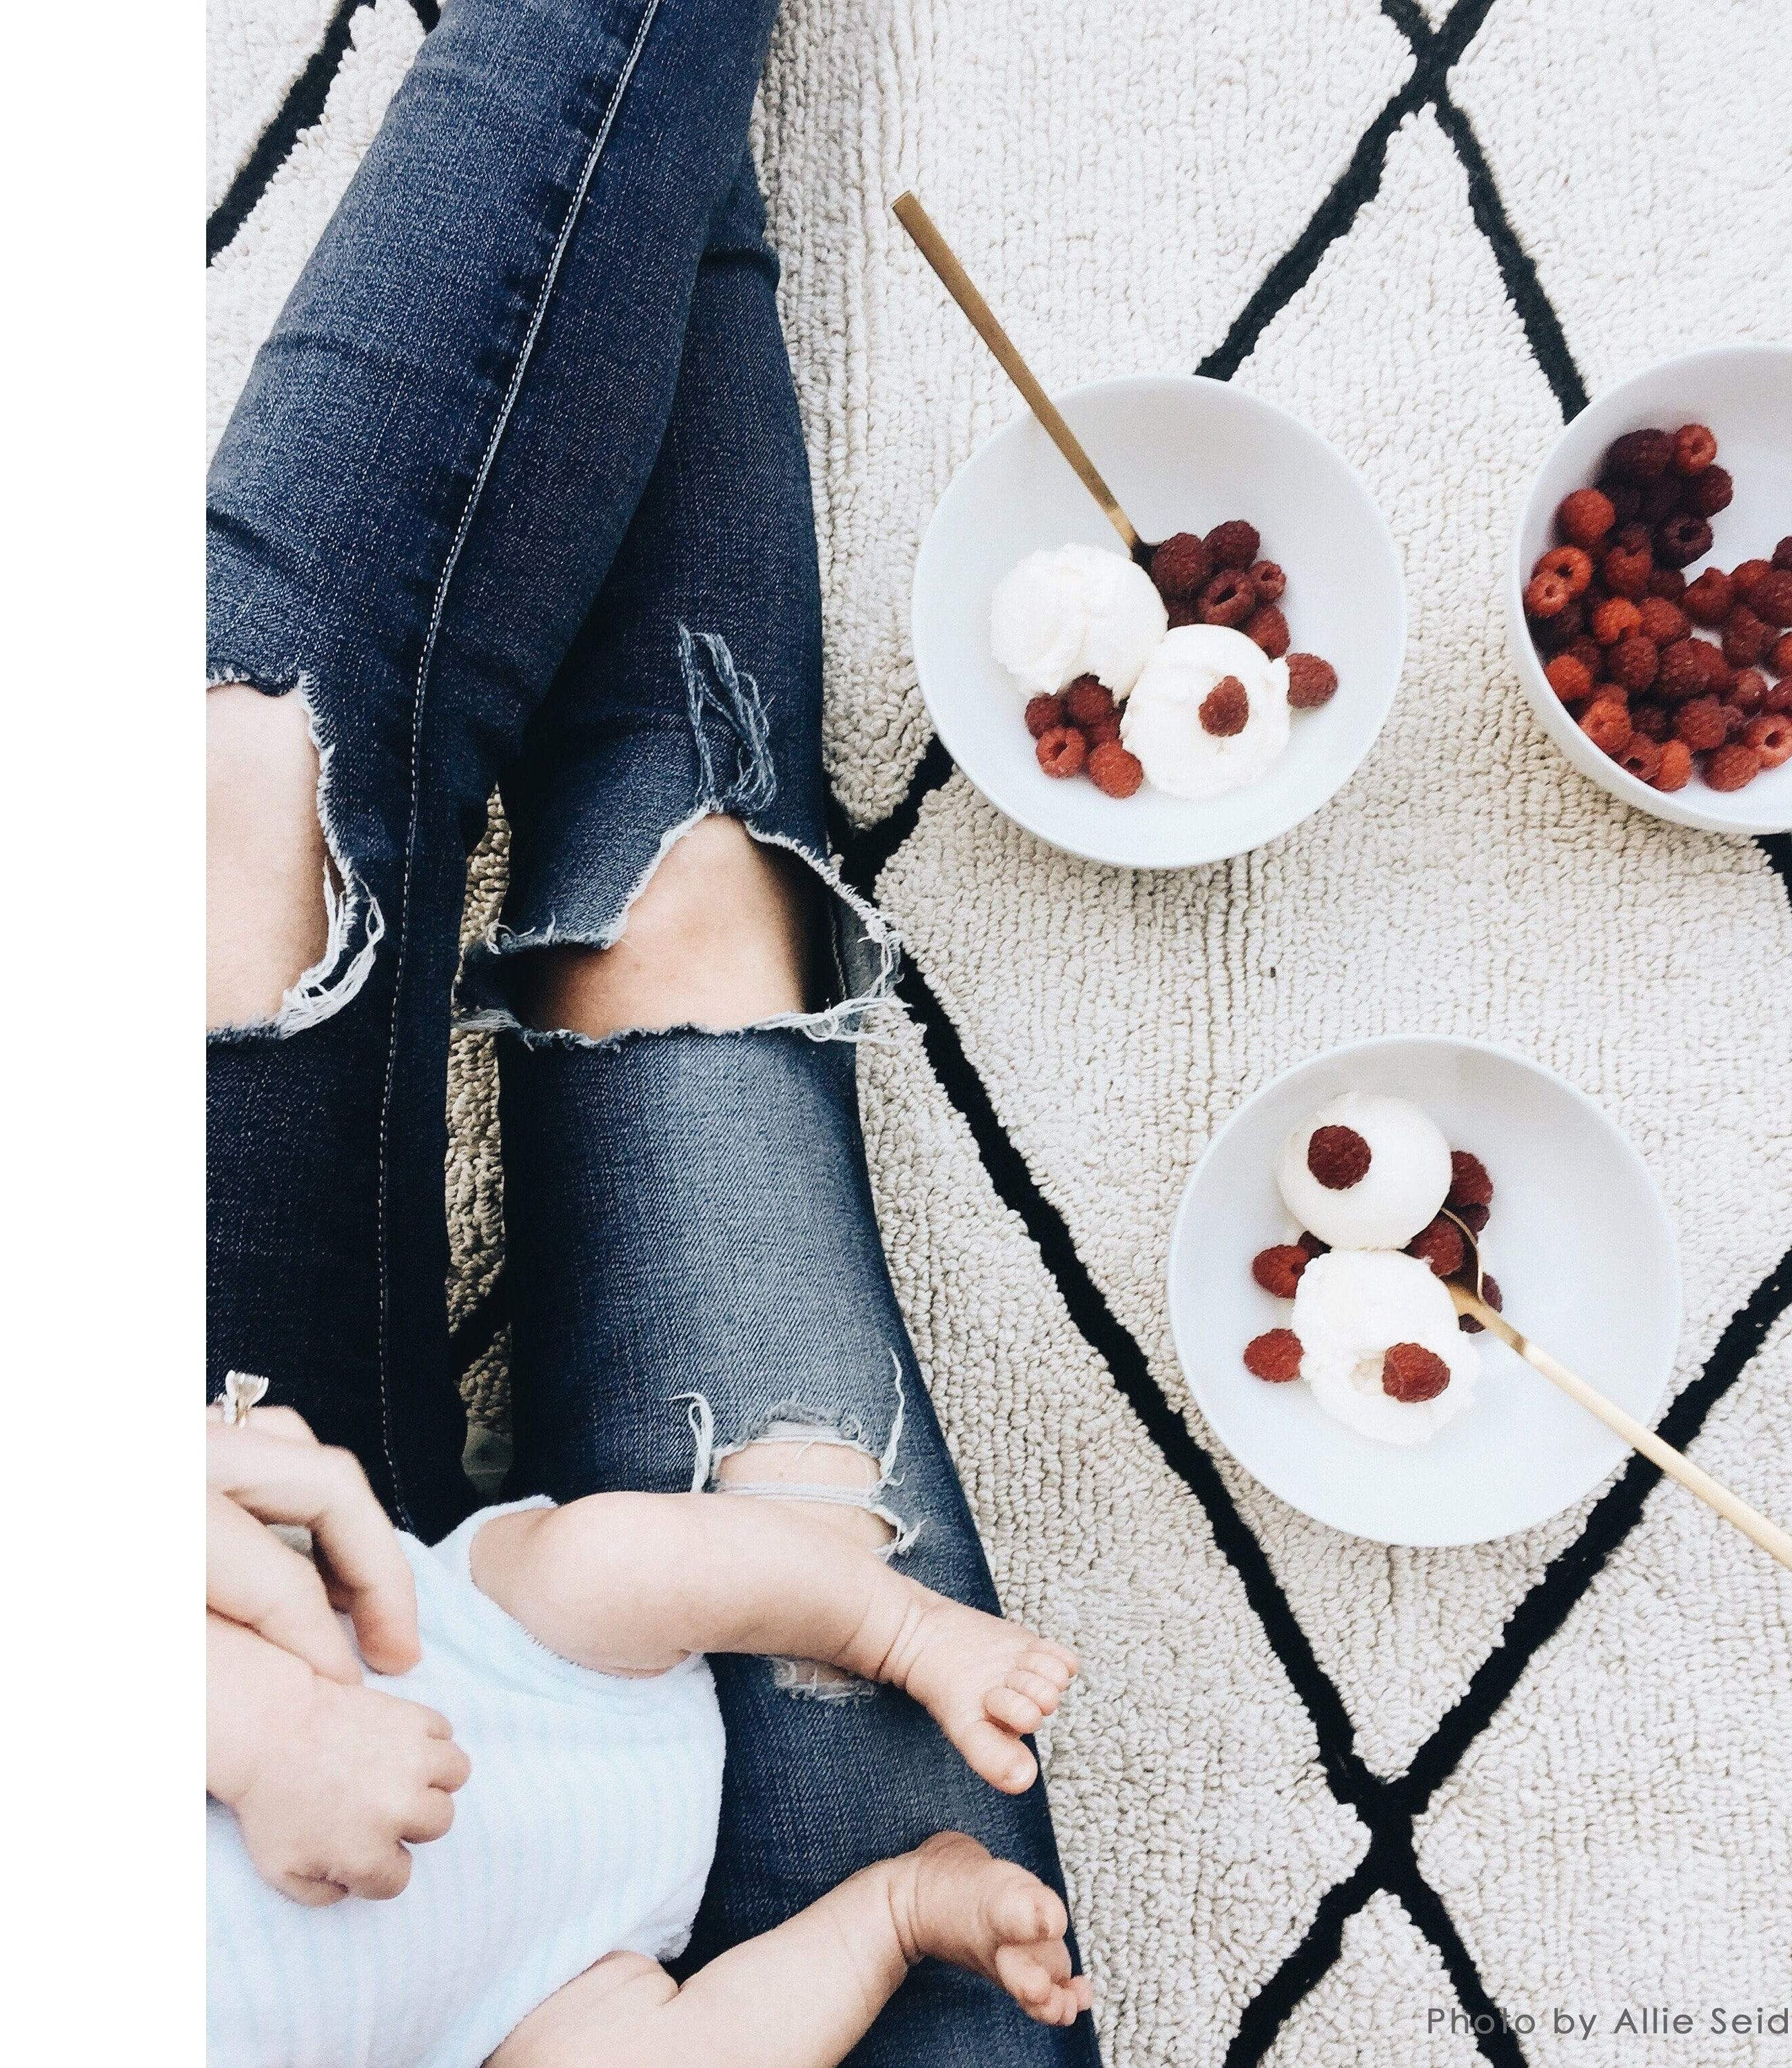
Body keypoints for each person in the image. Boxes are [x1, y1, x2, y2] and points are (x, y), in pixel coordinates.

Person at [205, 3, 1099, 2060]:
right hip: (550, 1917)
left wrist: (234, 1716)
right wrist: (898, 1909)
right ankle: (651, 135)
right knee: (688, 914)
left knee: (248, 794)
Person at [206, 1409, 1089, 2065]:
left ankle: (901, 1629)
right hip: (532, 1993)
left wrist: (275, 1729)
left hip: (496, 1657)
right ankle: (901, 1912)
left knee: (603, 1561)